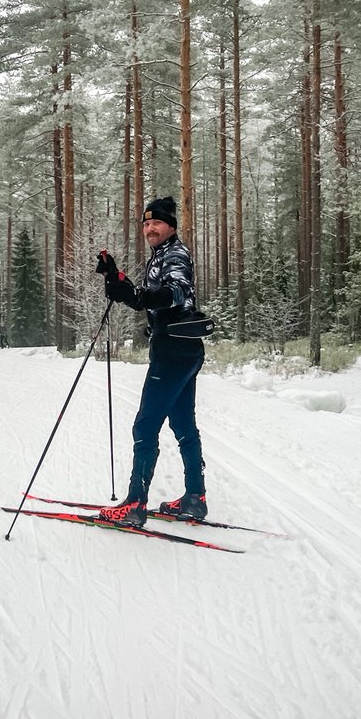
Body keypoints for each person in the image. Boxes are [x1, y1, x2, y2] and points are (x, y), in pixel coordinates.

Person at [97, 195, 208, 528]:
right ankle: (195, 498)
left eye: (156, 223)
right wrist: (117, 280)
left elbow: (175, 292)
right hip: (182, 347)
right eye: (146, 224)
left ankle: (134, 504)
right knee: (183, 425)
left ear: (170, 226)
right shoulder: (161, 255)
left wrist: (142, 297)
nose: (150, 228)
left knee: (146, 425)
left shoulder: (175, 253)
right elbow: (147, 298)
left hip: (174, 351)